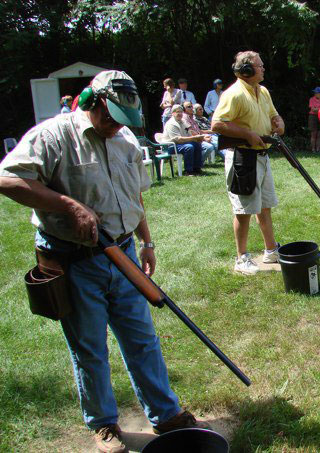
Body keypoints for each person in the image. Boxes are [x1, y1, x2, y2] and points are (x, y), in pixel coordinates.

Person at [0, 70, 211, 453]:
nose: (115, 127)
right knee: (90, 346)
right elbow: (7, 178)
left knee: (142, 338)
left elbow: (135, 197)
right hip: (73, 260)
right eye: (110, 117)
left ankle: (165, 414)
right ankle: (103, 424)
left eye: (122, 121)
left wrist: (147, 241)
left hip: (125, 254)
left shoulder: (125, 138)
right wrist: (65, 204)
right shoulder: (52, 136)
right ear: (90, 102)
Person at [211, 51, 285, 275]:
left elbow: (274, 116)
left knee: (264, 206)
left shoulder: (262, 91)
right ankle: (241, 258)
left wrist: (279, 123)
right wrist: (246, 134)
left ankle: (271, 250)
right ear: (247, 70)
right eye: (260, 66)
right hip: (243, 157)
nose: (263, 69)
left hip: (262, 156)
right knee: (243, 210)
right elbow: (217, 124)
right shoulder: (233, 94)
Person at [163, 104, 206, 175]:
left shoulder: (183, 121)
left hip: (181, 144)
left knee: (197, 144)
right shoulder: (171, 124)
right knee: (189, 147)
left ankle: (197, 168)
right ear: (172, 113)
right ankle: (188, 171)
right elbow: (178, 139)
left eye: (181, 112)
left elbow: (190, 131)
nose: (179, 114)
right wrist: (193, 138)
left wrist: (199, 137)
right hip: (171, 146)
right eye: (177, 112)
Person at [308, 87, 320, 152]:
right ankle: (313, 149)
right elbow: (313, 109)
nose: (315, 94)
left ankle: (318, 149)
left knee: (319, 133)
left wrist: (317, 109)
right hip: (313, 117)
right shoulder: (311, 99)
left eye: (317, 93)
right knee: (313, 133)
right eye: (315, 92)